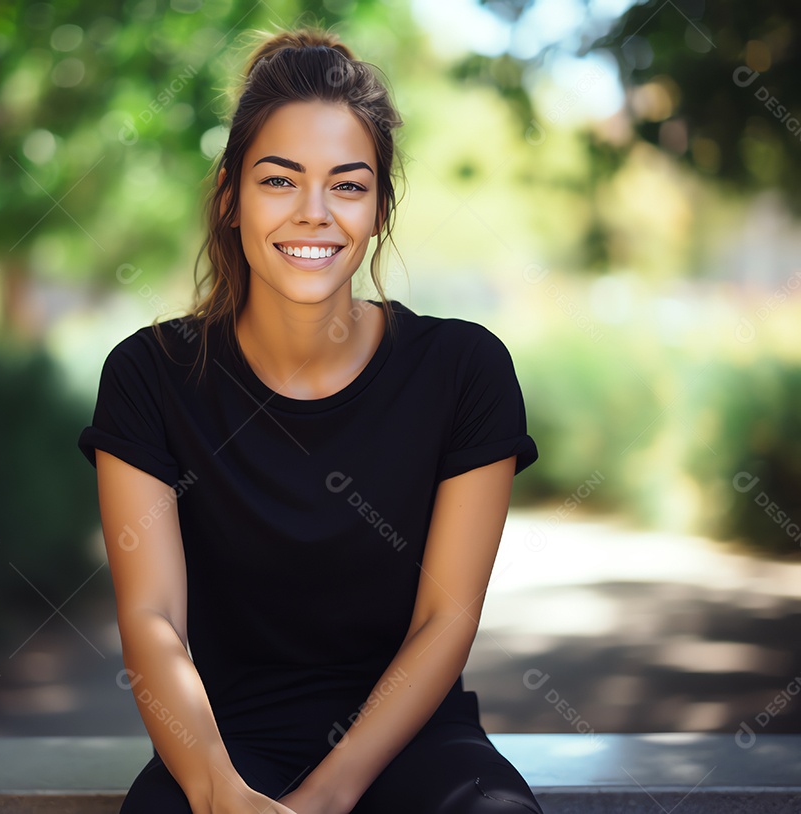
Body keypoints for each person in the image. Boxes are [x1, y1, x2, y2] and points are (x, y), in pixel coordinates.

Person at [78, 25, 542, 814]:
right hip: (221, 747)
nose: (314, 214)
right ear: (230, 196)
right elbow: (152, 619)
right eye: (280, 181)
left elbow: (444, 620)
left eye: (348, 185)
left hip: (413, 740)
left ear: (379, 207)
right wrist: (221, 793)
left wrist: (329, 795)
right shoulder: (148, 377)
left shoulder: (464, 371)